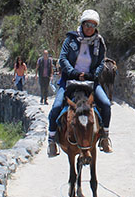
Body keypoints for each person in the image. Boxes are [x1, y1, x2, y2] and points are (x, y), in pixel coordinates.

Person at [47, 9, 112, 157]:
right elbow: (62, 58)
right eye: (87, 24)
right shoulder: (70, 39)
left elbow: (101, 62)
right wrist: (73, 72)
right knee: (57, 106)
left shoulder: (99, 42)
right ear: (82, 24)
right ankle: (51, 139)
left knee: (106, 105)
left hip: (90, 81)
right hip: (70, 79)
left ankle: (104, 136)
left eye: (93, 25)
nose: (90, 27)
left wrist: (92, 75)